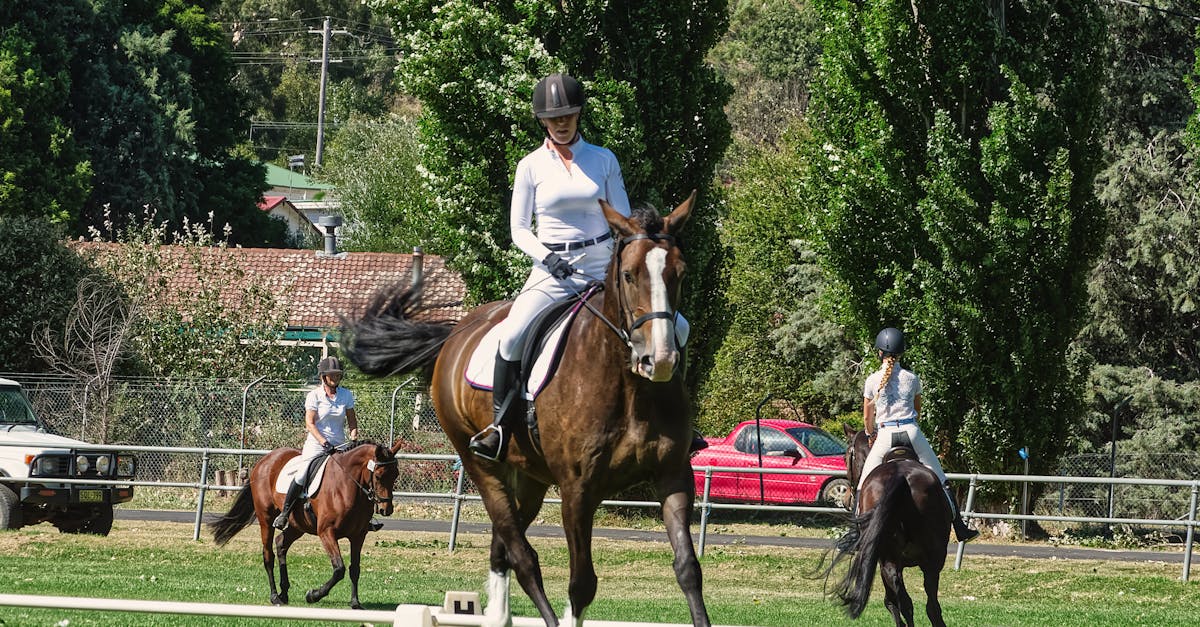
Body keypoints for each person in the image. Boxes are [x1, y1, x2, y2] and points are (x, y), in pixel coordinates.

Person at [467, 72, 693, 461]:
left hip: (602, 266)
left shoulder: (603, 159)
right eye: (554, 117)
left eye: (569, 114)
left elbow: (623, 219)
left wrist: (627, 257)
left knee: (679, 327)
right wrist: (548, 257)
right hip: (550, 268)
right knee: (513, 334)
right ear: (542, 120)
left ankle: (674, 414)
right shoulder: (531, 166)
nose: (562, 122)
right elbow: (518, 229)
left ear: (578, 115)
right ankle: (500, 427)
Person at [857, 327, 978, 543]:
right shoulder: (912, 378)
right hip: (911, 432)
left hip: (885, 434)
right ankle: (960, 527)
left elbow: (868, 418)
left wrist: (869, 433)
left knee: (863, 484)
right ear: (901, 352)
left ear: (879, 353)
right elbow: (918, 410)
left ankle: (855, 534)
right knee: (941, 480)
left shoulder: (872, 380)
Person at [273, 356, 359, 529]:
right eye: (331, 375)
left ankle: (362, 518)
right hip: (317, 445)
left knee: (356, 476)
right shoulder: (314, 396)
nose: (335, 378)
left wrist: (354, 438)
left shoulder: (346, 395)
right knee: (302, 473)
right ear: (323, 376)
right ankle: (285, 514)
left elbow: (352, 421)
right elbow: (309, 423)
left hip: (340, 445)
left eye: (337, 375)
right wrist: (323, 442)